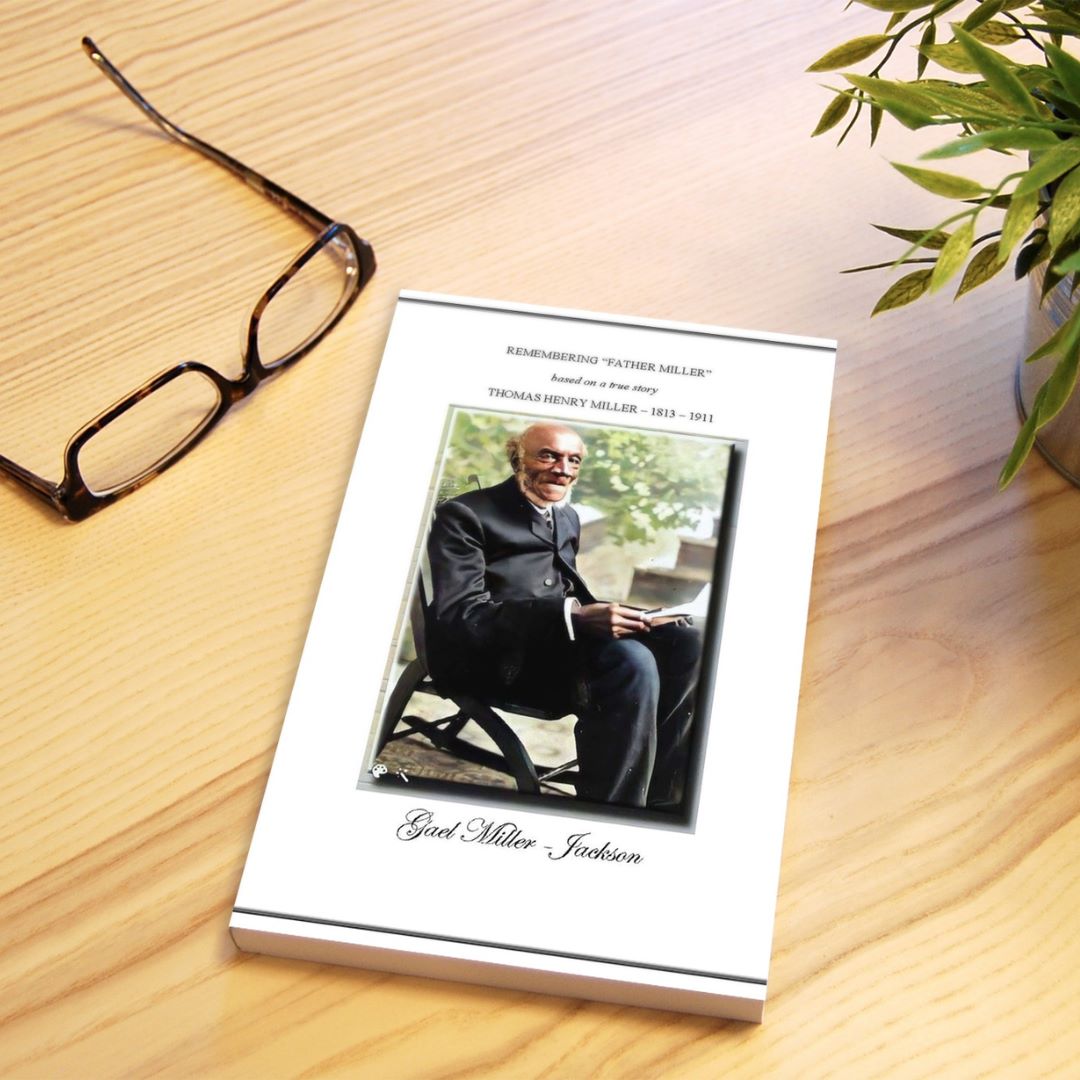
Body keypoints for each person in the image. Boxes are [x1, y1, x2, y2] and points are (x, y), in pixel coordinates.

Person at [424, 421, 702, 810]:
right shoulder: (464, 515)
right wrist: (574, 615)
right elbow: (461, 615)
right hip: (494, 660)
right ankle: (612, 809)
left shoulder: (565, 516)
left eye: (574, 460)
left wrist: (639, 618)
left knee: (686, 640)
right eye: (549, 456)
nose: (563, 470)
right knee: (630, 659)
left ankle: (660, 800)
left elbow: (568, 590)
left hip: (552, 647)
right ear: (517, 458)